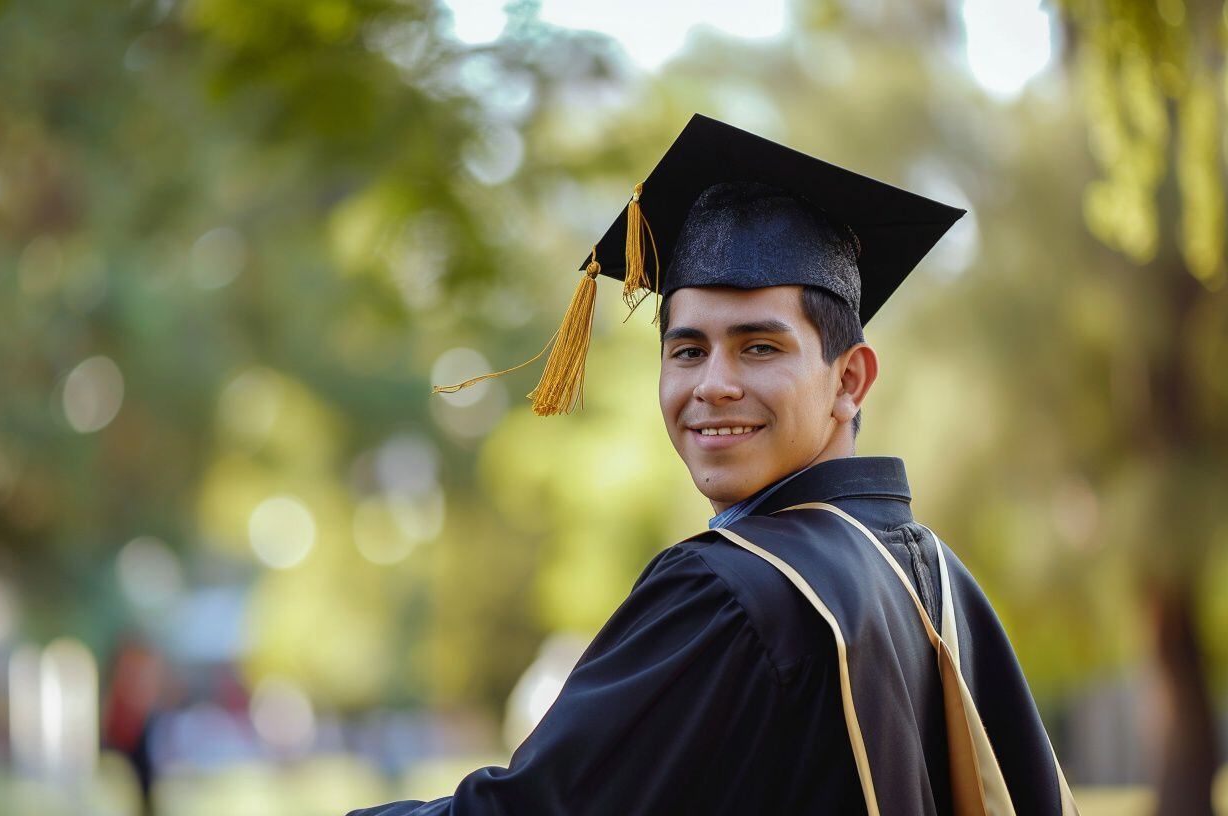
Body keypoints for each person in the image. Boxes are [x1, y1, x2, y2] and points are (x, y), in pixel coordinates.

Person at [352, 114, 1078, 815]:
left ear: (850, 379)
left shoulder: (730, 592)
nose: (713, 385)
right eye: (688, 351)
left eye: (759, 347)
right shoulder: (941, 582)